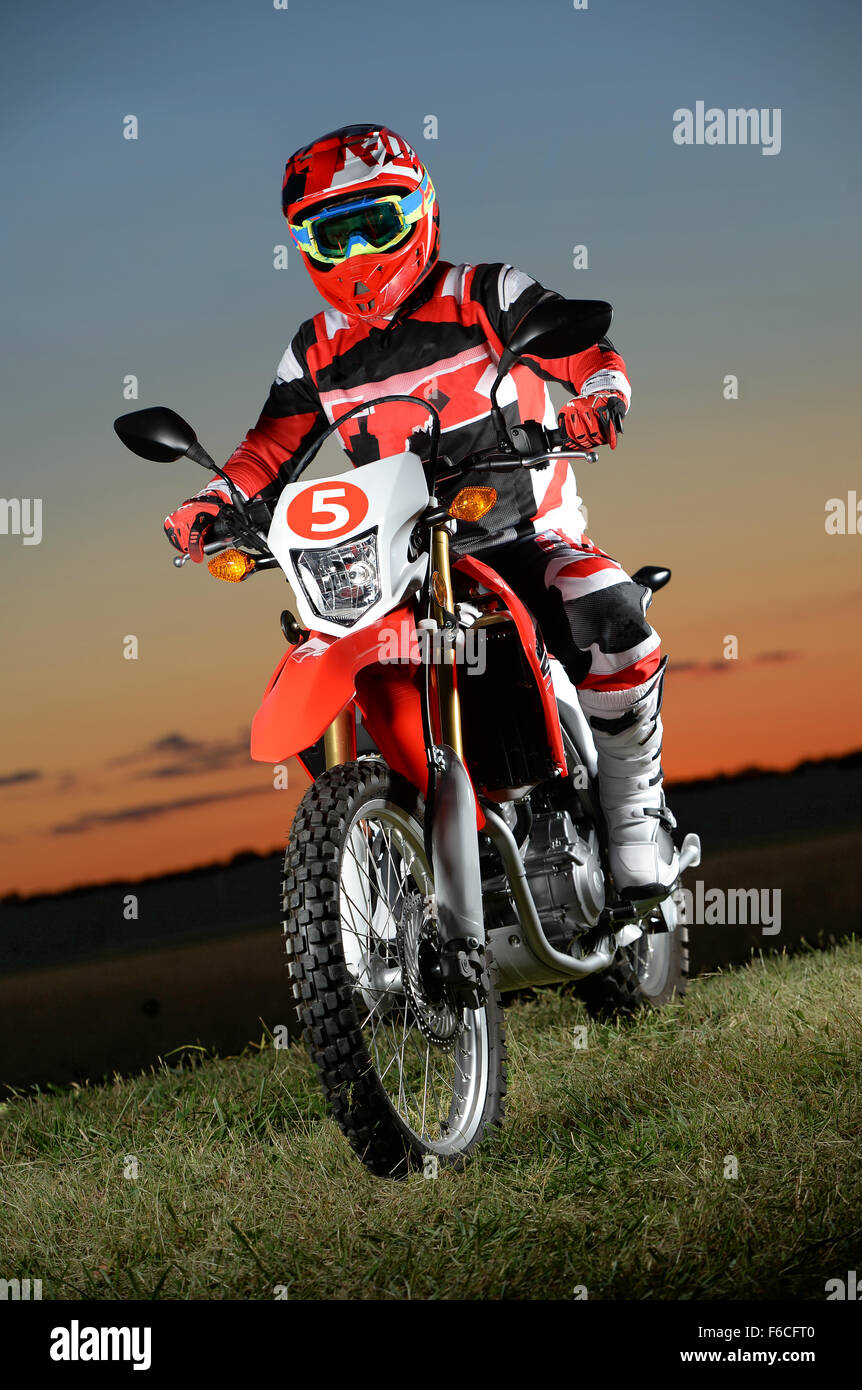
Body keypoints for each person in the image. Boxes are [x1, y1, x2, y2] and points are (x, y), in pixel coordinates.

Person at [164, 123, 677, 903]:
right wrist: (213, 499)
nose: (360, 251)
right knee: (321, 641)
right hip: (392, 558)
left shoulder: (485, 292)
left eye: (378, 221)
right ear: (305, 246)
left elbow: (584, 351)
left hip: (518, 535)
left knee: (603, 606)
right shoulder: (312, 351)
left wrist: (600, 397)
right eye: (334, 234)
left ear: (420, 213)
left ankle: (633, 807)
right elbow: (269, 447)